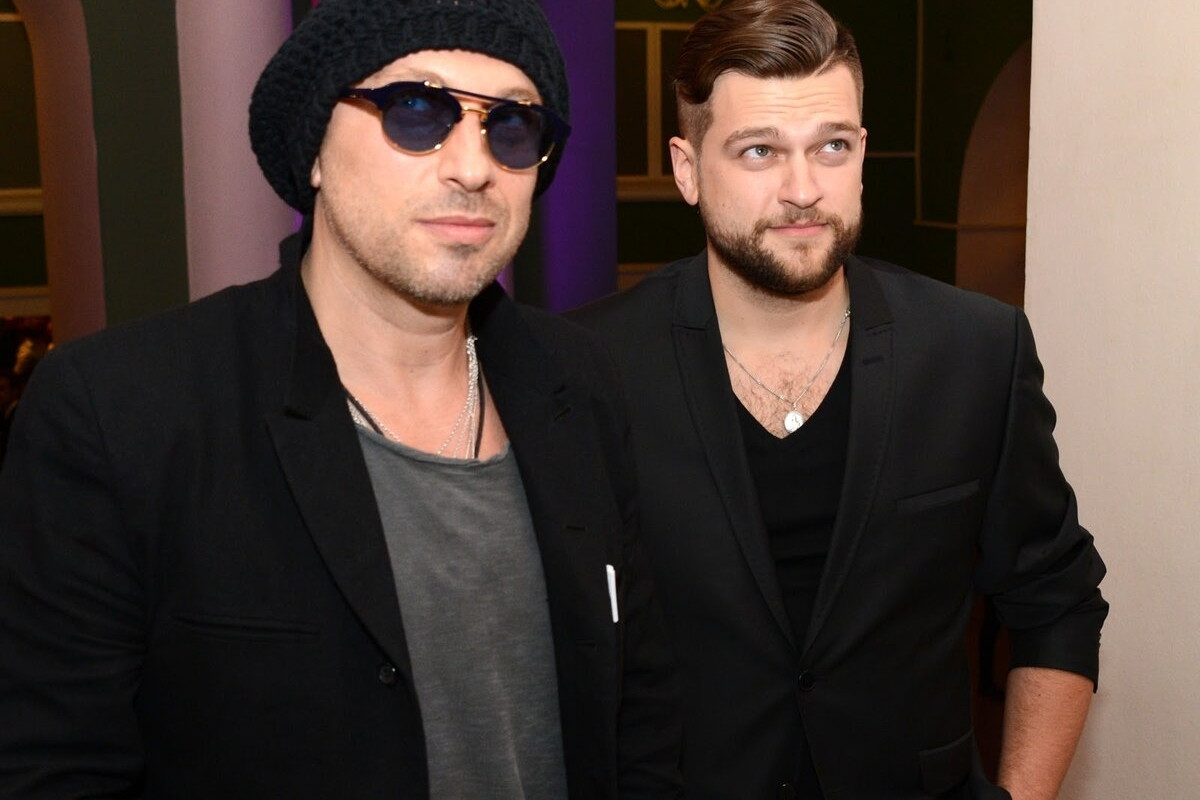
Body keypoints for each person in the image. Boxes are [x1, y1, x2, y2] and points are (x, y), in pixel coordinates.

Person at [0, 1, 681, 798]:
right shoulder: (122, 409)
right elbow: (54, 766)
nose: (473, 167)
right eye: (417, 110)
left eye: (511, 127)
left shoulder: (577, 380)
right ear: (315, 148)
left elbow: (642, 712)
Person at [572, 1, 1107, 798]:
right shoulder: (589, 369)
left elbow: (1057, 601)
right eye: (759, 151)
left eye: (831, 146)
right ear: (687, 170)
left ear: (861, 155)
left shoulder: (974, 351)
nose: (803, 189)